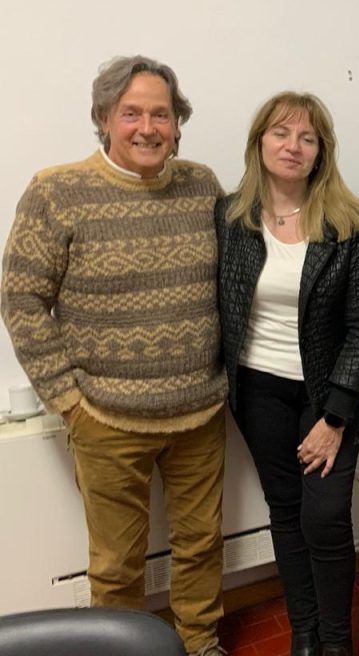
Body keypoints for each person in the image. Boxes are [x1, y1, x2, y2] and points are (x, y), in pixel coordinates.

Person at [0, 56, 227, 656]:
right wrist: (68, 401)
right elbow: (20, 298)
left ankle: (200, 642)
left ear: (177, 123)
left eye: (161, 114)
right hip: (106, 420)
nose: (148, 128)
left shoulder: (203, 185)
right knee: (118, 564)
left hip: (201, 413)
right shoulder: (56, 192)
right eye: (132, 114)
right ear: (103, 118)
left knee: (202, 545)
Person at [216, 92, 359, 656]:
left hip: (328, 394)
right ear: (259, 143)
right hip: (256, 392)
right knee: (286, 514)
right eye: (281, 133)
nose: (292, 146)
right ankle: (305, 636)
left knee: (327, 516)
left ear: (321, 152)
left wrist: (335, 418)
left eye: (307, 137)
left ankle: (337, 642)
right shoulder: (231, 219)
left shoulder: (352, 226)